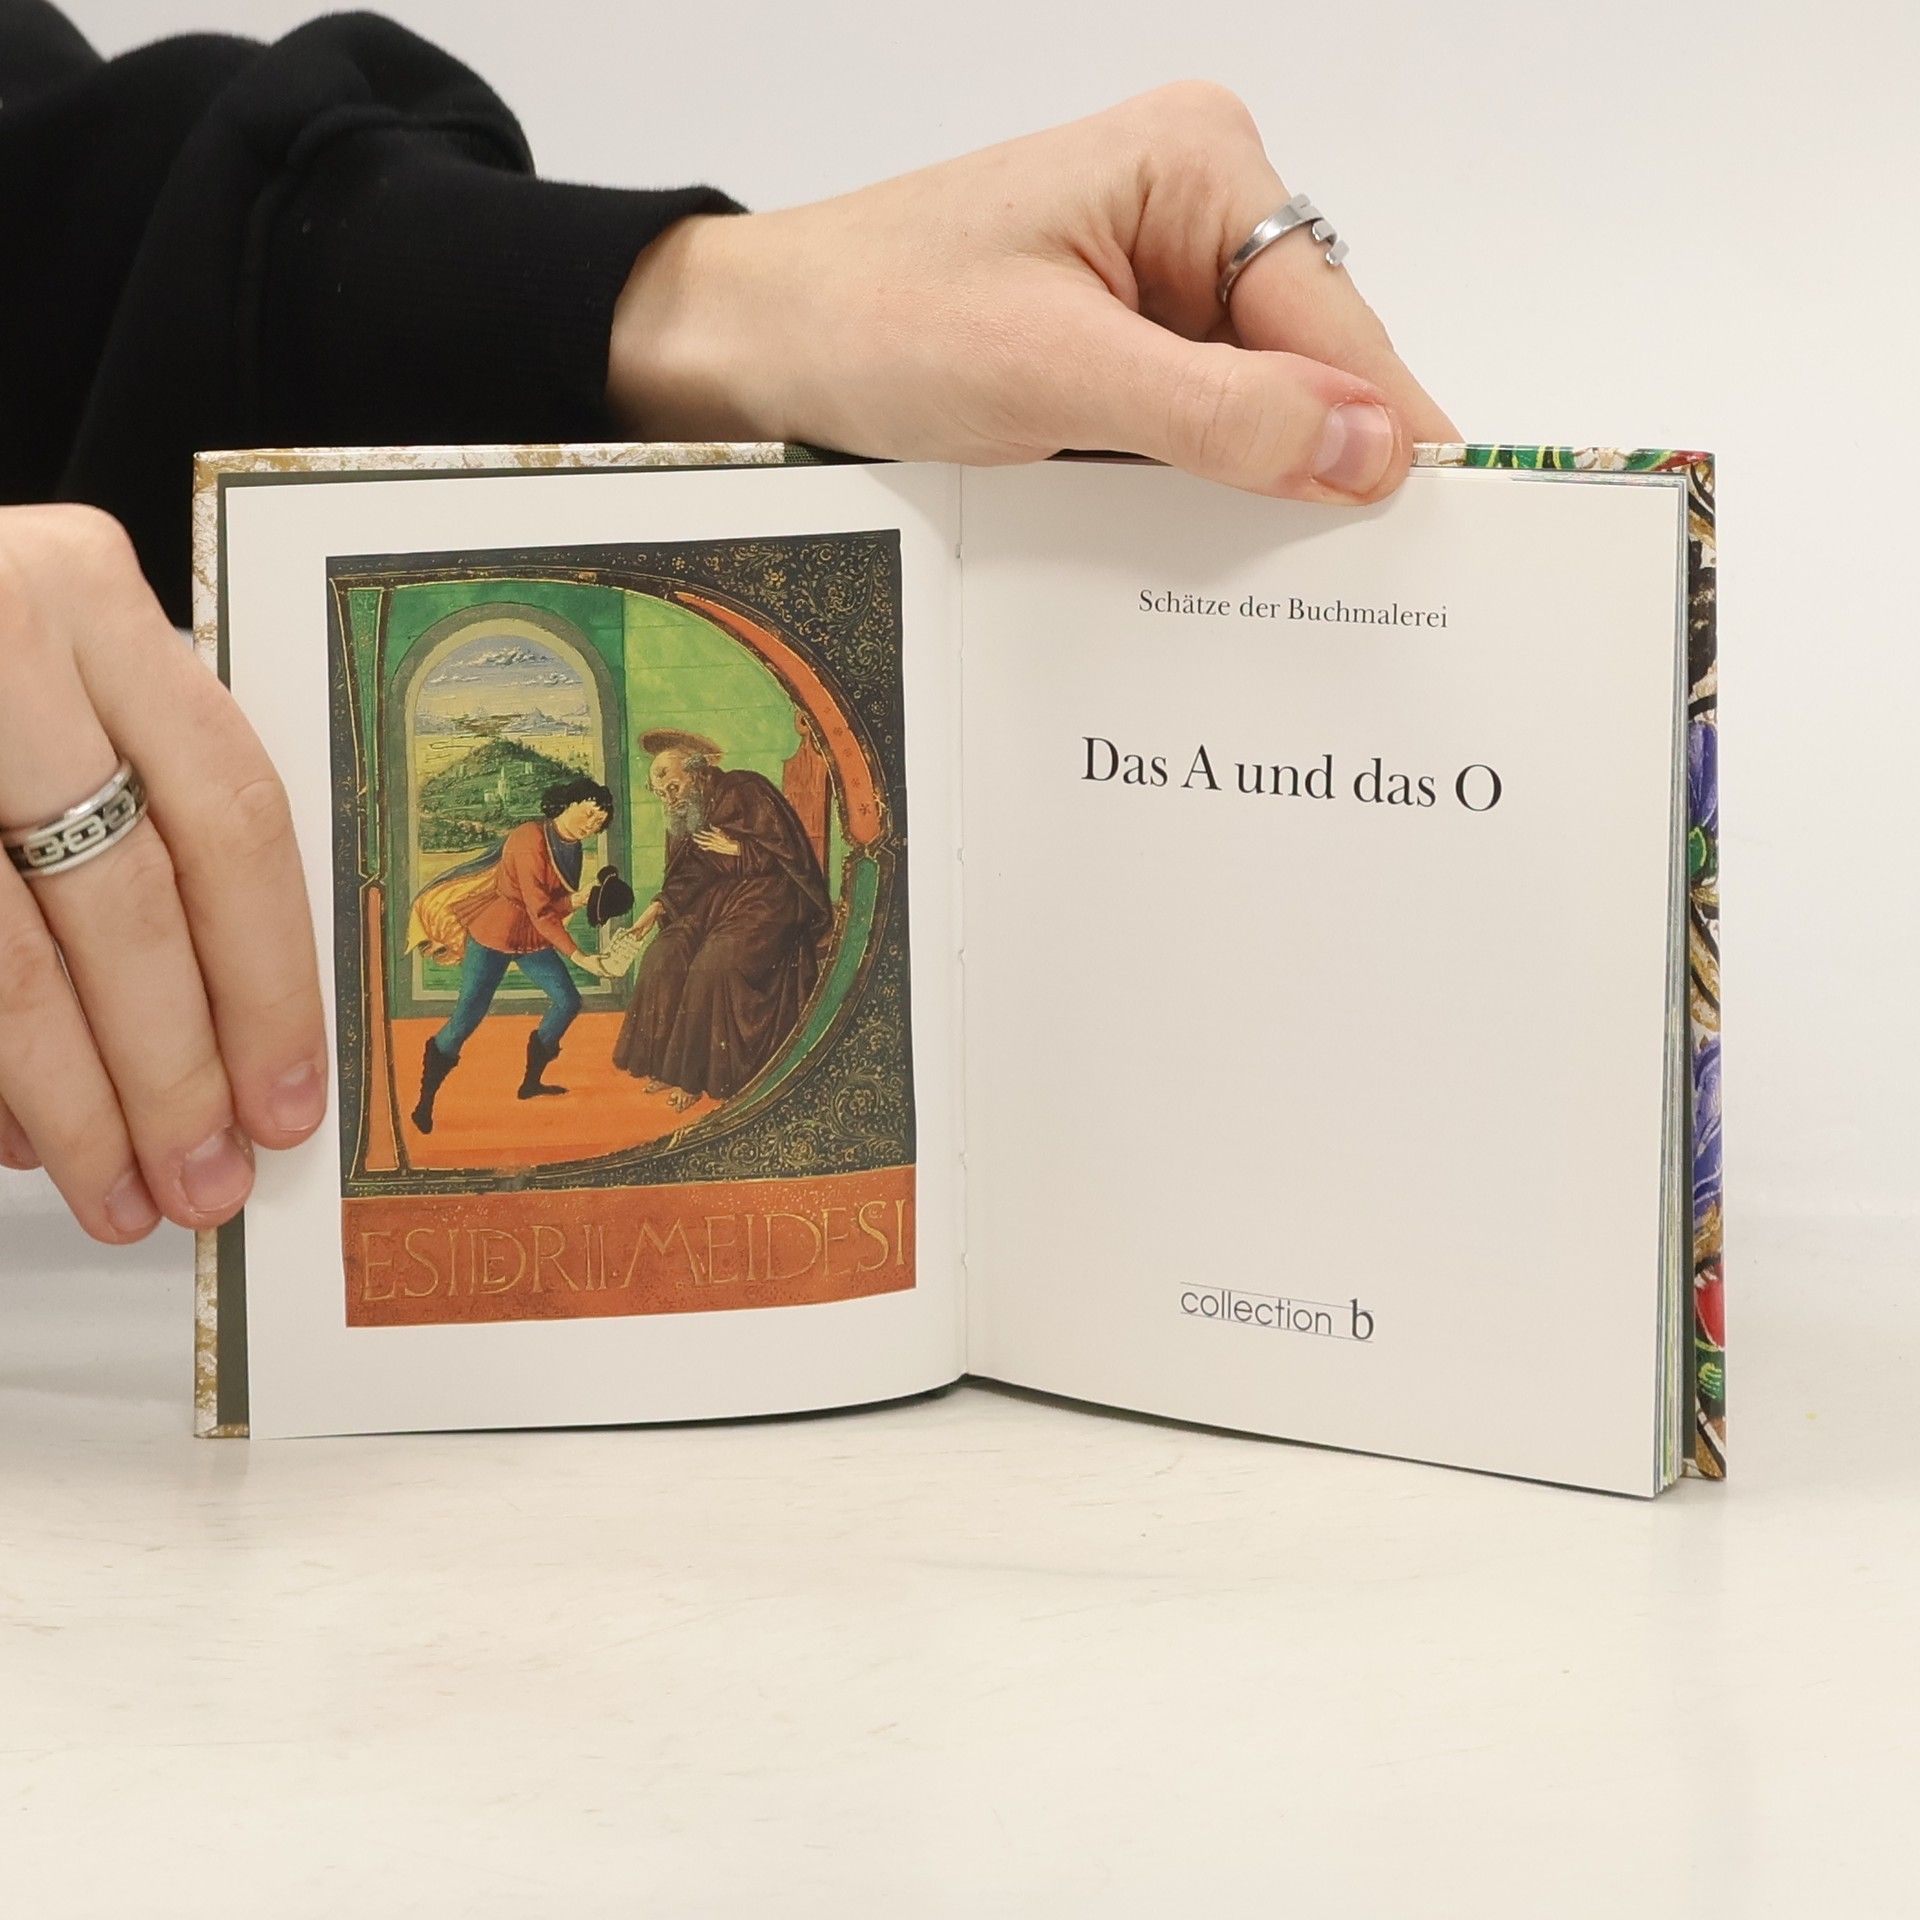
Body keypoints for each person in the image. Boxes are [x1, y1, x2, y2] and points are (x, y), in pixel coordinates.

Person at [0, 3, 1456, 1245]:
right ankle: (486, 1081)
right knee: (600, 984)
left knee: (670, 967)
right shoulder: (568, 839)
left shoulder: (697, 809)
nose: (648, 797)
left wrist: (696, 307)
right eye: (641, 792)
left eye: (656, 785)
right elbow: (563, 893)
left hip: (732, 914)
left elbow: (58, 210)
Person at [612, 738, 833, 1109]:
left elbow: (792, 857)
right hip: (716, 900)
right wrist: (654, 912)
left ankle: (692, 1077)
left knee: (713, 965)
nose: (668, 797)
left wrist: (740, 851)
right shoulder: (686, 814)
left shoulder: (745, 788)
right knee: (663, 955)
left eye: (672, 784)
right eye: (660, 792)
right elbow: (688, 876)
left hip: (771, 896)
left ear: (697, 771)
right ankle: (666, 1066)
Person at [405, 776, 617, 1132]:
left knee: (567, 1001)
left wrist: (576, 901)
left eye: (599, 822)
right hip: (494, 935)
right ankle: (424, 1103)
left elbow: (553, 905)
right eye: (589, 813)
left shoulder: (573, 849)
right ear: (569, 802)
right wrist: (580, 957)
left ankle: (531, 1082)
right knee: (466, 1019)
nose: (592, 824)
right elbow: (540, 909)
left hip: (531, 939)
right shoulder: (528, 837)